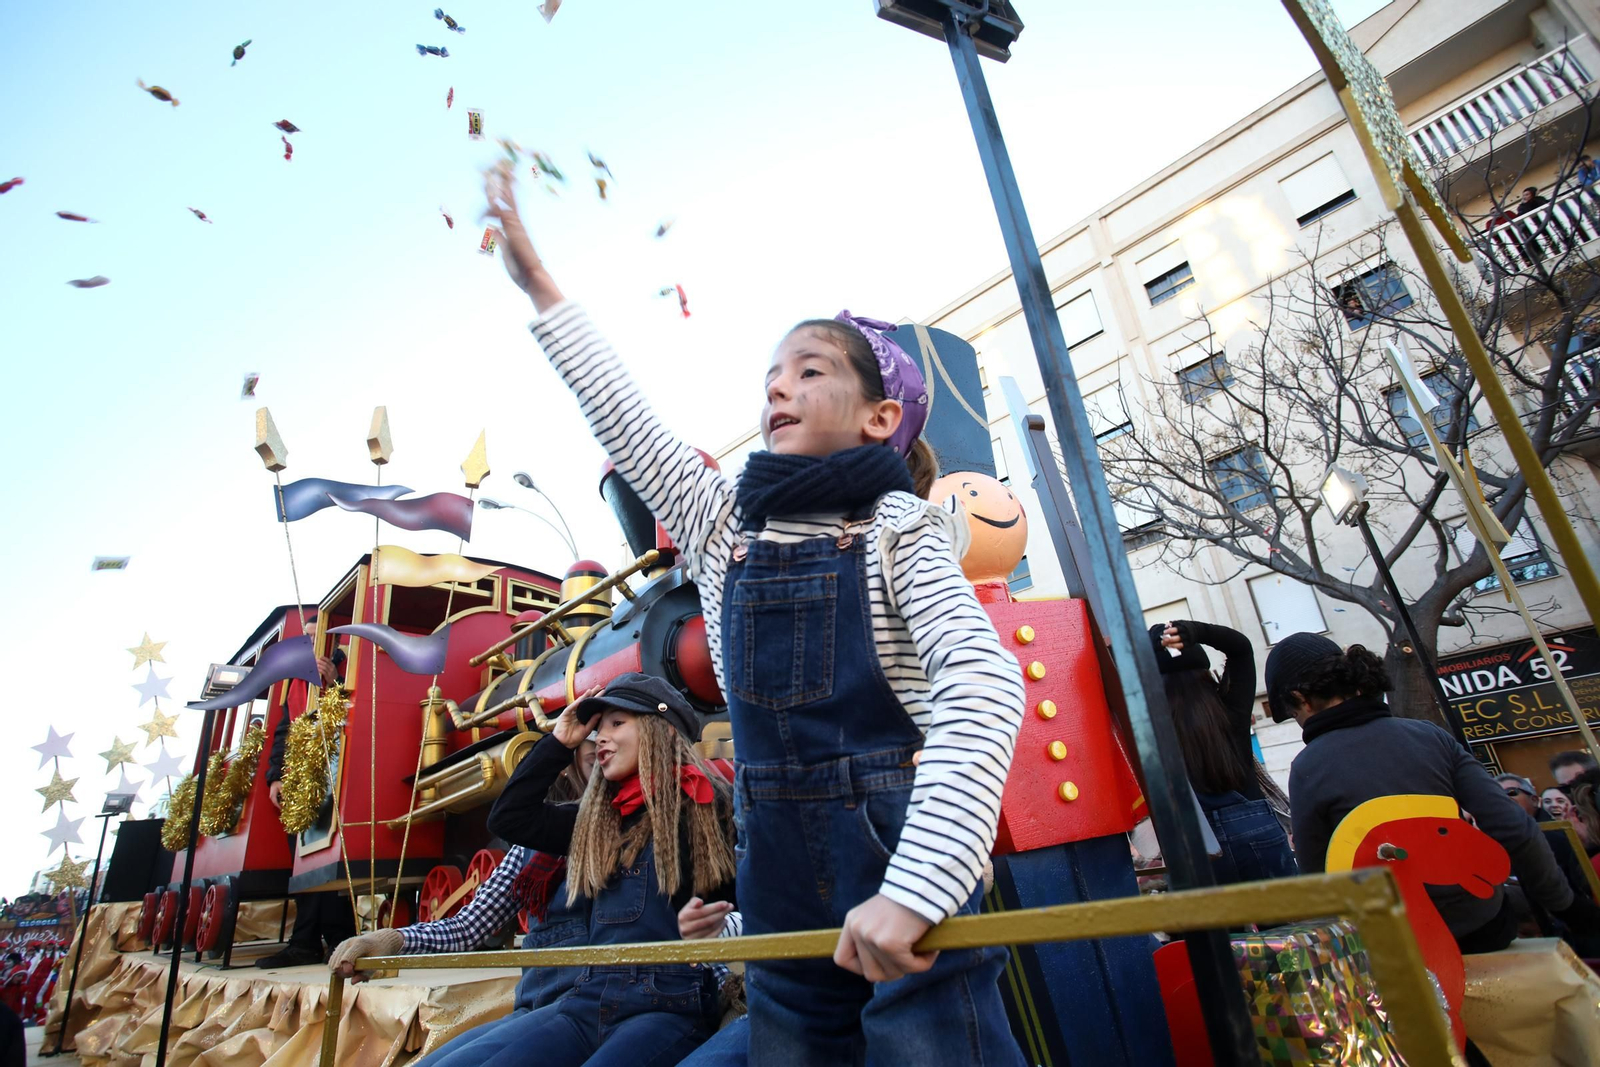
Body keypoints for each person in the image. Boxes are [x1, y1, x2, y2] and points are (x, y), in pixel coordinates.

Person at [483, 165, 1026, 1067]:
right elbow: (628, 423)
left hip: (893, 847)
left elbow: (982, 684)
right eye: (770, 374)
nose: (777, 387)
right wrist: (543, 288)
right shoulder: (721, 526)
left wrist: (921, 888)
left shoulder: (899, 528)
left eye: (808, 371)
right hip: (772, 861)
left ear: (877, 415)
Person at [1273, 632, 1600, 954]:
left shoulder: (1307, 767)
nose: (1299, 723)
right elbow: (1515, 828)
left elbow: (1321, 878)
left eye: (1293, 713)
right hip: (1481, 924)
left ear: (1301, 698)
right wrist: (1568, 907)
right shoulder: (1430, 737)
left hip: (1398, 946)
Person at [484, 673, 737, 1066]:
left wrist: (716, 927)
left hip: (666, 1006)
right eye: (596, 729)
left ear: (662, 730)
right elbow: (510, 819)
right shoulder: (597, 820)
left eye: (616, 723)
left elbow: (739, 906)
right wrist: (558, 742)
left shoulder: (706, 807)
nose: (599, 738)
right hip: (589, 1001)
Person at [326, 741, 598, 1066]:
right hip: (535, 1004)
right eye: (591, 736)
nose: (601, 740)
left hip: (584, 1004)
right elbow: (469, 926)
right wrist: (391, 940)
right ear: (568, 764)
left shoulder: (630, 829)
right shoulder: (530, 846)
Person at [1149, 620, 1296, 883]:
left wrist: (1141, 651)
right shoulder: (1230, 709)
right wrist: (1195, 632)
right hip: (1255, 828)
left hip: (1192, 842)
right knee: (1289, 922)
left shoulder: (1147, 727)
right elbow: (1240, 648)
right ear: (1206, 675)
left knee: (1216, 925)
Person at [257, 640, 356, 968]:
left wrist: (337, 679)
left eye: (318, 636)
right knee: (305, 860)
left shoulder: (351, 660)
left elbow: (357, 704)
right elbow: (284, 731)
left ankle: (330, 937)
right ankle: (313, 940)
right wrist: (276, 776)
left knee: (323, 858)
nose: (312, 645)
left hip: (339, 769)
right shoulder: (296, 682)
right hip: (303, 774)